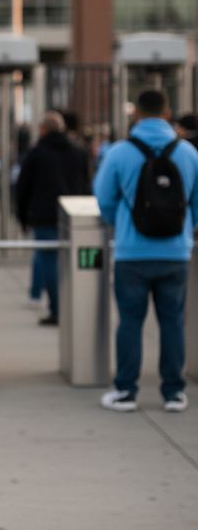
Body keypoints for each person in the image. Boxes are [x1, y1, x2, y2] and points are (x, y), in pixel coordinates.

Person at [94, 89, 198, 413]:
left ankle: (126, 391)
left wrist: (123, 225)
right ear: (167, 114)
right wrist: (185, 228)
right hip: (176, 252)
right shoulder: (189, 153)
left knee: (129, 322)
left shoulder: (119, 152)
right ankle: (173, 393)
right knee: (172, 323)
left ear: (136, 114)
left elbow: (104, 199)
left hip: (131, 253)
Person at [16, 111, 91, 326]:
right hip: (76, 215)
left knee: (49, 263)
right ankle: (77, 308)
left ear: (43, 130)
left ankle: (57, 309)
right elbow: (87, 184)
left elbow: (23, 188)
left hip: (45, 216)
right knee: (75, 264)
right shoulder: (79, 152)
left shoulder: (36, 153)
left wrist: (23, 218)